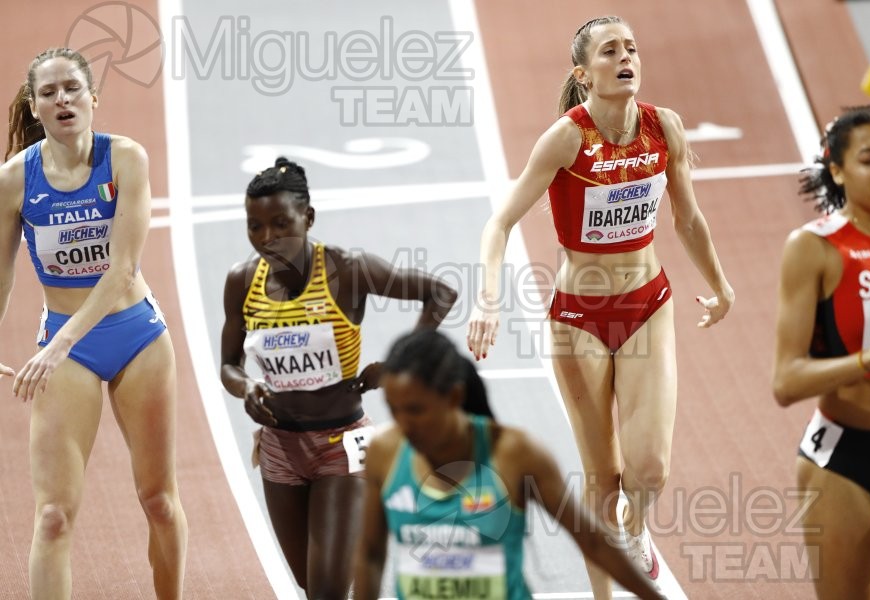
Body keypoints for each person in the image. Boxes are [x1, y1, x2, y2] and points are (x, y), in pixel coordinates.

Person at [466, 16, 734, 596]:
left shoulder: (665, 127)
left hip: (646, 304)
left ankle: (634, 534)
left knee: (650, 468)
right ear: (583, 74)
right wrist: (488, 298)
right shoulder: (567, 137)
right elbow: (500, 222)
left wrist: (721, 284)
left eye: (631, 48)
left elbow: (687, 218)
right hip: (579, 319)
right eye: (610, 51)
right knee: (603, 475)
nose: (625, 57)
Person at [220, 156, 458, 598]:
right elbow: (228, 366)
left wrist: (400, 363)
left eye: (280, 223)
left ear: (308, 218)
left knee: (329, 591)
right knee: (313, 589)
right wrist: (247, 386)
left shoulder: (347, 269)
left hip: (342, 447)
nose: (267, 238)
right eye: (254, 226)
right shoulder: (242, 281)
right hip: (279, 449)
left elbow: (440, 292)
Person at [0, 48, 187, 598]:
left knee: (158, 500)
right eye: (50, 92)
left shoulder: (126, 158)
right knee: (54, 514)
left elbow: (121, 269)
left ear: (93, 98)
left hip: (135, 336)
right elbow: (1, 275)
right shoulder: (14, 180)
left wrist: (58, 343)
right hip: (67, 347)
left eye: (73, 89)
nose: (63, 99)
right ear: (34, 108)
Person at [354, 328, 666, 600]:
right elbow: (369, 554)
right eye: (394, 410)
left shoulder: (515, 455)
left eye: (416, 410)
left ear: (453, 397)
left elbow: (593, 542)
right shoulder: (385, 452)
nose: (403, 423)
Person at [772, 102, 870, 600]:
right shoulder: (813, 248)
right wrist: (868, 361)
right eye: (869, 158)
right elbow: (786, 382)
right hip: (846, 457)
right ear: (838, 170)